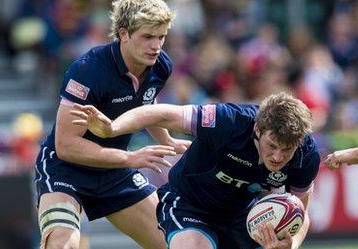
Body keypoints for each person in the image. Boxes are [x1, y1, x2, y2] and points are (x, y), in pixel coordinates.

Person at [70, 92, 320, 249]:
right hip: (189, 204)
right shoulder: (229, 122)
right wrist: (113, 129)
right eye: (272, 146)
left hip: (243, 217)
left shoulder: (306, 155)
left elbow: (300, 210)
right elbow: (163, 113)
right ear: (257, 130)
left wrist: (290, 243)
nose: (278, 157)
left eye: (286, 150)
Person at [33, 1, 189, 248]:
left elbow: (146, 102)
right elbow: (66, 146)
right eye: (147, 36)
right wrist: (129, 159)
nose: (156, 46)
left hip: (114, 171)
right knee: (63, 245)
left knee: (176, 242)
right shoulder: (88, 70)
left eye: (161, 37)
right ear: (123, 33)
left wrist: (165, 138)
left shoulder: (160, 66)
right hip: (66, 170)